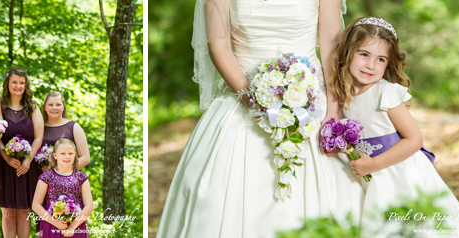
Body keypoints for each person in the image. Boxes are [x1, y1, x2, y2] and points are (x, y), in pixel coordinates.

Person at [156, 0, 364, 237]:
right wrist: (255, 102)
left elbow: (331, 43)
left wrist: (333, 110)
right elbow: (219, 46)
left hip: (311, 100)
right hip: (242, 95)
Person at [331, 17, 459, 237]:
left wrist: (373, 164)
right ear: (348, 52)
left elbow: (414, 139)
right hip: (367, 172)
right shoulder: (340, 93)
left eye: (381, 59)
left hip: (398, 171)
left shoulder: (385, 92)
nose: (371, 65)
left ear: (388, 63)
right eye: (364, 54)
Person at [0, 67, 44, 238]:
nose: (18, 86)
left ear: (26, 85)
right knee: (7, 212)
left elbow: (38, 137)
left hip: (26, 167)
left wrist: (28, 160)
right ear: (8, 84)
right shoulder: (0, 107)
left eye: (22, 83)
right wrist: (5, 156)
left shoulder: (33, 108)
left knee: (23, 211)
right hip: (4, 164)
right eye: (15, 82)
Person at [32, 138, 93, 238]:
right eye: (63, 153)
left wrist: (73, 227)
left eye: (70, 153)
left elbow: (89, 206)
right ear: (55, 155)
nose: (67, 156)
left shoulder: (81, 177)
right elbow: (36, 205)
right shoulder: (46, 176)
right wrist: (55, 222)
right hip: (52, 223)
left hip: (76, 224)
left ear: (75, 155)